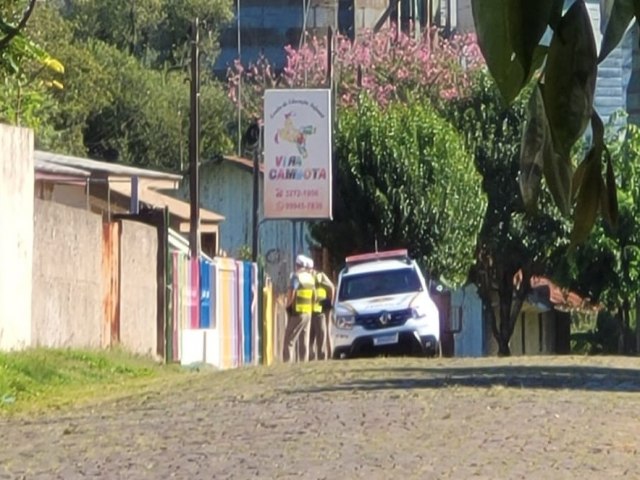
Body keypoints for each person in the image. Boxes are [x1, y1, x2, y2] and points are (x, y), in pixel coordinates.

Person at [283, 254, 315, 363]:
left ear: (296, 265)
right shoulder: (310, 278)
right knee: (304, 340)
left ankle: (286, 363)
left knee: (289, 339)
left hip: (298, 313)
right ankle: (303, 363)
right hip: (308, 312)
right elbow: (314, 296)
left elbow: (292, 293)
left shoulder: (296, 277)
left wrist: (287, 305)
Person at [309, 268, 335, 360]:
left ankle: (329, 355)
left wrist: (329, 302)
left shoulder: (320, 276)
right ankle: (314, 356)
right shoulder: (308, 278)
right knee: (315, 334)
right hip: (313, 310)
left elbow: (331, 287)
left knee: (326, 332)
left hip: (324, 309)